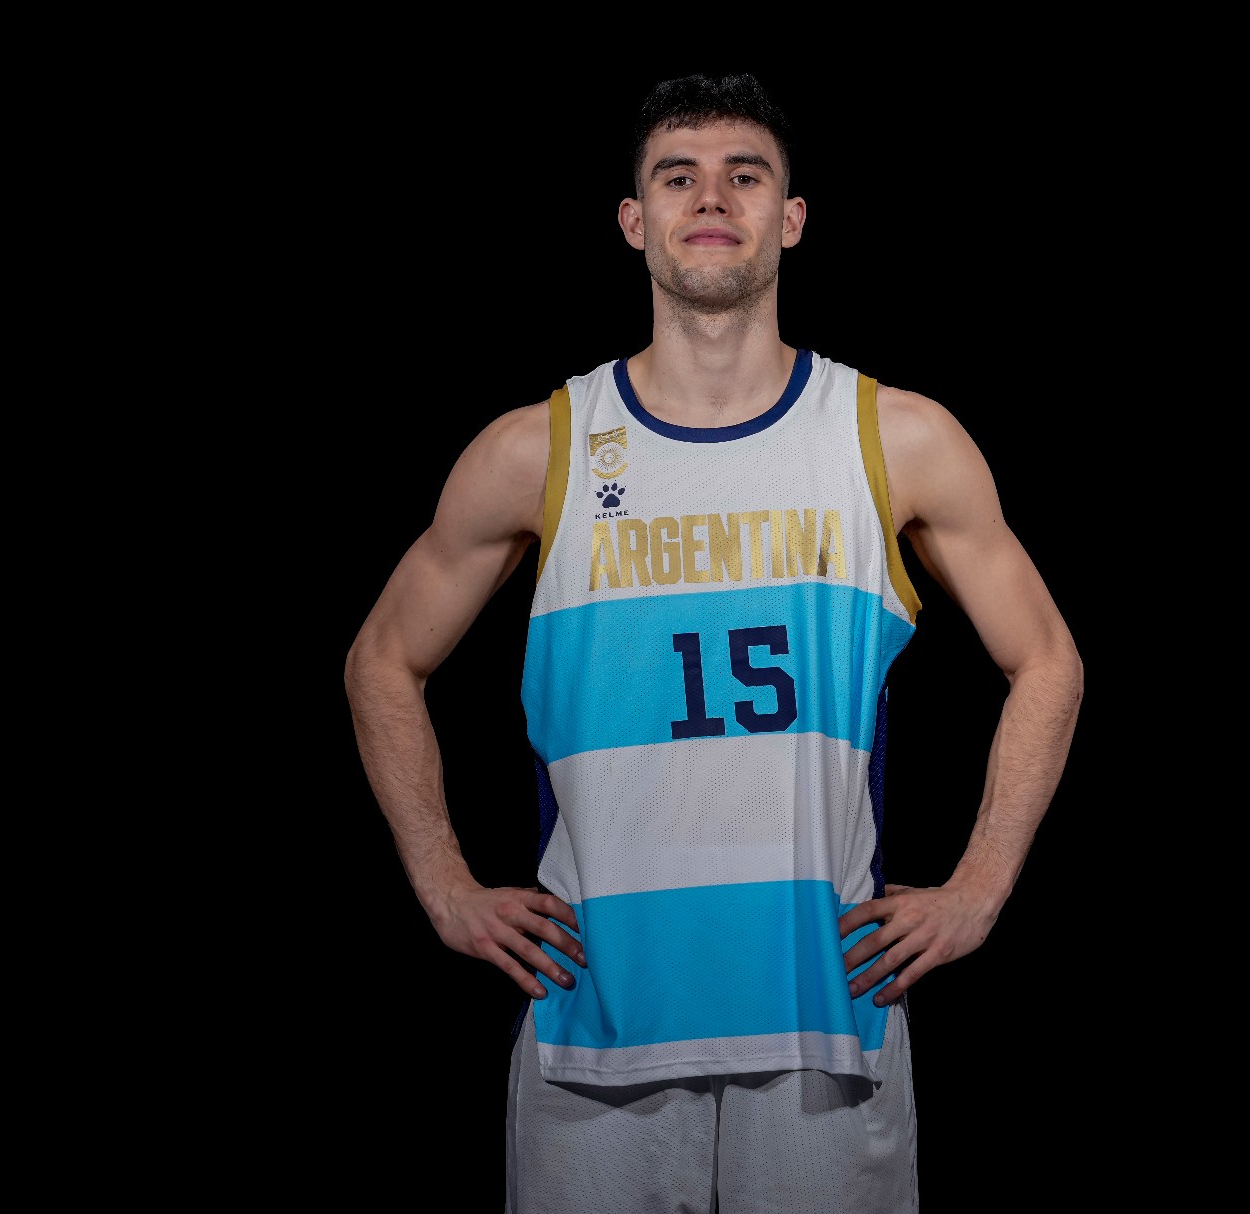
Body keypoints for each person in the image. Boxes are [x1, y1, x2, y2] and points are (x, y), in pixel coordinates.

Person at [344, 70, 1084, 1213]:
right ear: (632, 220)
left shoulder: (894, 437)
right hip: (595, 1026)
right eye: (676, 176)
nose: (711, 198)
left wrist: (980, 887)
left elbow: (1046, 659)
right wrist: (442, 883)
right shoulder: (537, 447)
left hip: (822, 1020)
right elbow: (382, 659)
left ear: (790, 218)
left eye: (745, 176)